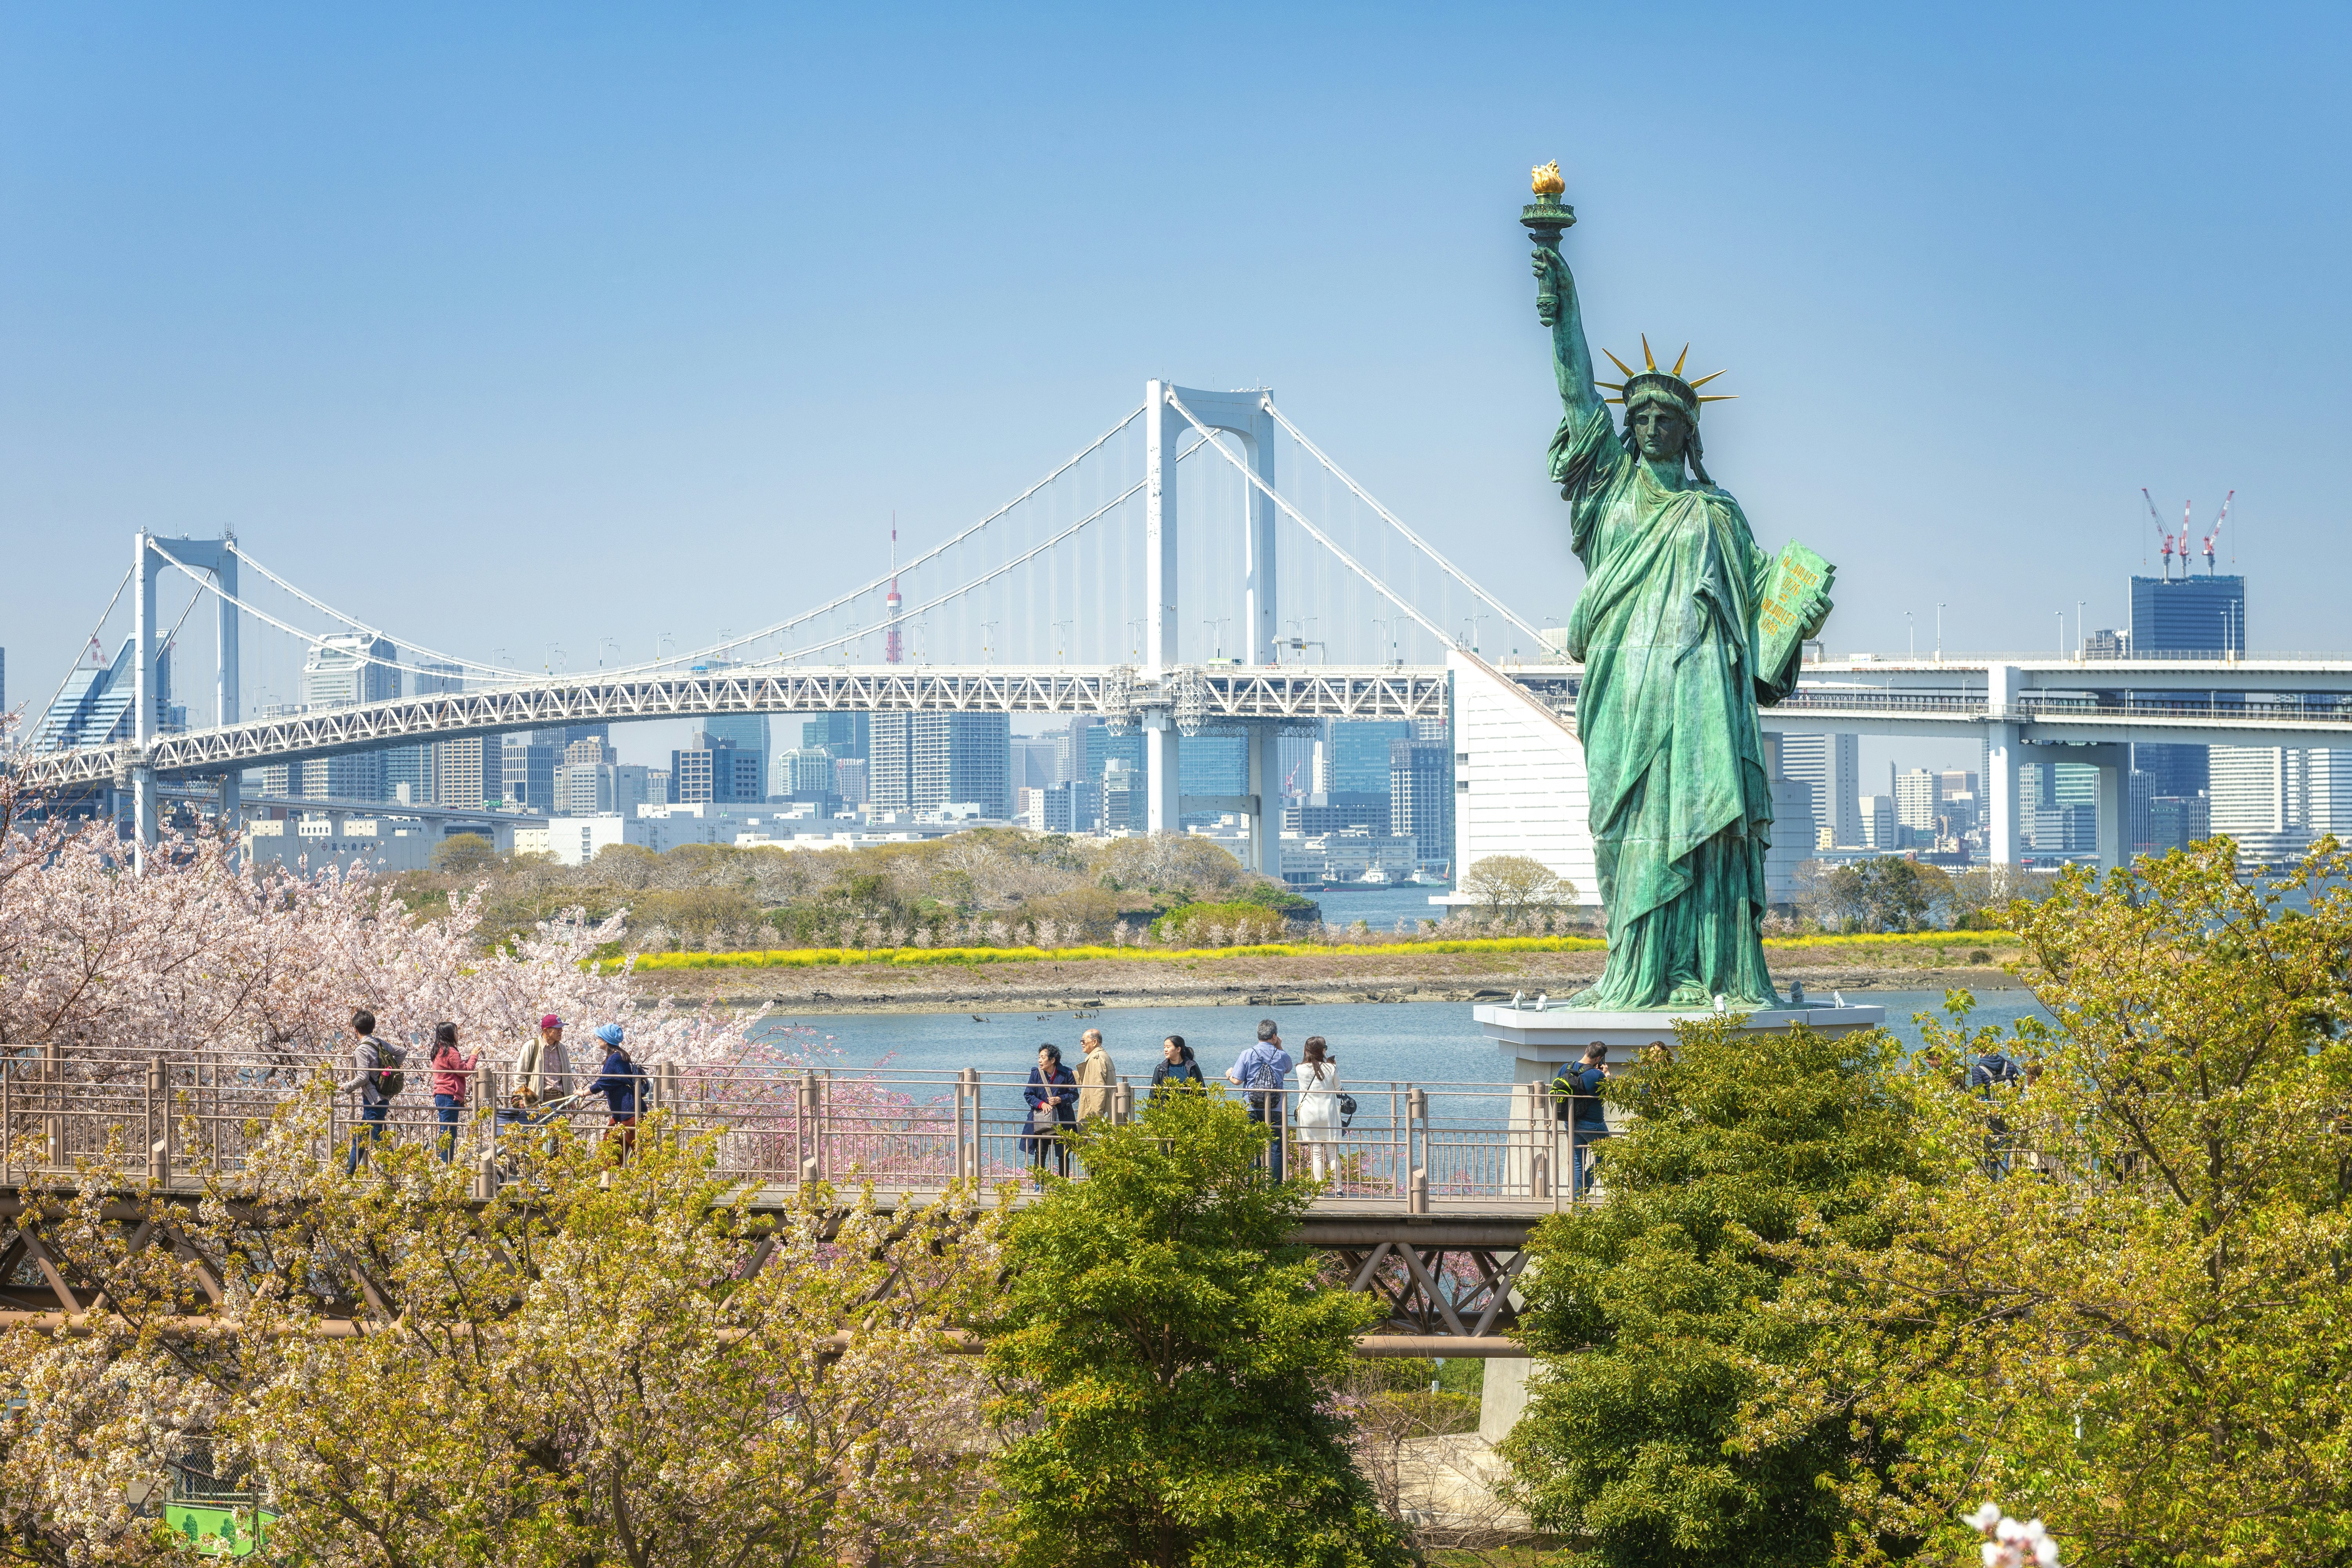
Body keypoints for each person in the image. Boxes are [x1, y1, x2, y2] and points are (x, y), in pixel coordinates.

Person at [334, 1009, 401, 1175]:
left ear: (355, 1029)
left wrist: (347, 1087)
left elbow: (363, 1077)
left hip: (373, 1100)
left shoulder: (362, 1049)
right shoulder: (380, 1043)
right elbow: (401, 1052)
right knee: (361, 1137)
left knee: (379, 1139)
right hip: (382, 1095)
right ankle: (349, 1174)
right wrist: (388, 1073)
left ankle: (393, 1176)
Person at [1226, 1020, 1293, 1181]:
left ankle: (1252, 1185)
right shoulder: (1281, 1055)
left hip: (1251, 1106)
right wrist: (1279, 1047)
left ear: (1258, 1035)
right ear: (1274, 1036)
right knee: (1276, 1146)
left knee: (1251, 1146)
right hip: (1275, 1107)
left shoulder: (1247, 1054)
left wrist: (1229, 1074)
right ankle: (1275, 1186)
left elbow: (1237, 1081)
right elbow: (1289, 1068)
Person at [1550, 1042, 1611, 1195]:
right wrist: (1608, 1076)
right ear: (1599, 1059)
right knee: (1609, 1152)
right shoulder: (1597, 1075)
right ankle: (1586, 1182)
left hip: (1570, 1121)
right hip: (1593, 1124)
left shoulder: (1565, 1068)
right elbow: (1609, 1094)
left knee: (1577, 1161)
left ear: (1586, 1051)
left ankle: (1577, 1203)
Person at [588, 1023, 649, 1162]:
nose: (597, 1039)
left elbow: (605, 1082)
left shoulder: (615, 1059)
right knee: (610, 1149)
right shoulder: (620, 1056)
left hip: (629, 1114)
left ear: (606, 1041)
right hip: (622, 1113)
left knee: (642, 1154)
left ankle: (656, 1181)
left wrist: (585, 1093)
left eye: (599, 1037)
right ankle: (605, 1182)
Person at [1021, 1044, 1077, 1183]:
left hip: (1062, 1119)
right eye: (1039, 1057)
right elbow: (1028, 1095)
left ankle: (1063, 1184)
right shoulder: (1036, 1073)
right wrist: (1042, 1104)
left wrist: (1060, 1099)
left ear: (1052, 1060)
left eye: (1043, 1058)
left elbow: (1074, 1094)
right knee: (1041, 1151)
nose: (1040, 1061)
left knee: (1063, 1153)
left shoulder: (1067, 1073)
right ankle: (1039, 1183)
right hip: (1042, 1118)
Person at [427, 1022, 481, 1164]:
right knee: (448, 1134)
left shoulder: (438, 1050)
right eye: (456, 1033)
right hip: (449, 1096)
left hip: (442, 1095)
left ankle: (444, 1165)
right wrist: (473, 1056)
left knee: (447, 1132)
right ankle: (444, 1167)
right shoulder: (450, 1051)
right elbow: (465, 1071)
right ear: (450, 1035)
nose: (458, 1035)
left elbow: (456, 1066)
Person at [1294, 1035, 1344, 1182]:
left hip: (1309, 1115)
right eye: (1325, 1048)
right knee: (1332, 1154)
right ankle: (1339, 1189)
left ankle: (1319, 1188)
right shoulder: (1331, 1068)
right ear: (1321, 1051)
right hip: (1328, 1114)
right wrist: (1333, 1066)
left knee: (1316, 1153)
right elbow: (1338, 1090)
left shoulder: (1300, 1069)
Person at [1969, 1044, 2023, 1178]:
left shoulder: (1978, 1070)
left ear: (1979, 1050)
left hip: (1990, 1121)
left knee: (1990, 1157)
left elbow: (1980, 1098)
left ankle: (1992, 1190)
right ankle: (2008, 1188)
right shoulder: (2009, 1065)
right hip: (2010, 1118)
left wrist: (1989, 1106)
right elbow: (2020, 1088)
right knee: (2006, 1155)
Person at [517, 1014, 573, 1101]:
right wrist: (522, 1096)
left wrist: (571, 1098)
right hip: (539, 1098)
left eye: (561, 1028)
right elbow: (520, 1075)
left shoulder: (562, 1048)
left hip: (560, 1098)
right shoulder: (532, 1046)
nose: (561, 1031)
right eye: (557, 1029)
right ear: (546, 1031)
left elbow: (569, 1075)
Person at [1074, 1028, 1119, 1122]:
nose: (1082, 1044)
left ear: (1094, 1042)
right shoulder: (1104, 1055)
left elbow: (1098, 1089)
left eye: (1084, 1041)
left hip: (1095, 1112)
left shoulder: (1096, 1059)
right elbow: (1089, 1078)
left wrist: (1097, 1116)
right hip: (1108, 1108)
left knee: (1085, 1136)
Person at [1148, 1036, 1203, 1104]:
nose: (1165, 1050)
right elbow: (1153, 1094)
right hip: (1167, 1111)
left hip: (1188, 1110)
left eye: (1168, 1047)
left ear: (1178, 1050)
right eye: (1164, 1047)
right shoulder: (1160, 1069)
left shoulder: (1192, 1066)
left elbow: (1201, 1090)